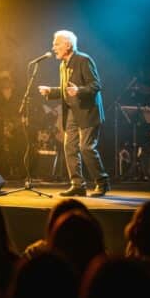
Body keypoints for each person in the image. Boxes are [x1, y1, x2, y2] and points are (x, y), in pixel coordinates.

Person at [38, 30, 109, 197]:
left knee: (86, 148)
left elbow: (96, 85)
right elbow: (66, 90)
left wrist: (79, 90)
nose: (53, 47)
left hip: (88, 112)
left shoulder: (83, 60)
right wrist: (52, 91)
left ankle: (102, 182)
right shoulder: (63, 64)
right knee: (69, 147)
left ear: (68, 45)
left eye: (57, 44)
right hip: (71, 112)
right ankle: (77, 185)